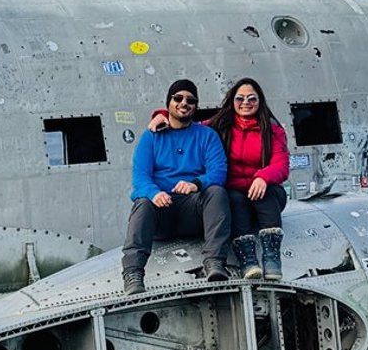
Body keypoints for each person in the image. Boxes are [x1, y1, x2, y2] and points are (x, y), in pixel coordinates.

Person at [122, 78, 230, 291]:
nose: (184, 103)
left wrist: (196, 184)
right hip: (162, 212)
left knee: (217, 192)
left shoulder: (207, 136)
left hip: (193, 210)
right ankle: (133, 273)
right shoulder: (151, 137)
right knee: (142, 203)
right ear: (168, 103)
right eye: (178, 98)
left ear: (196, 106)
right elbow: (140, 178)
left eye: (190, 100)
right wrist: (154, 194)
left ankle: (215, 262)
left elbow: (218, 172)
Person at [211, 76, 290, 279]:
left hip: (265, 193)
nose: (245, 103)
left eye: (252, 98)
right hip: (236, 194)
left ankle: (272, 257)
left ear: (259, 101)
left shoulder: (272, 130)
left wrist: (263, 177)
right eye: (240, 98)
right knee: (234, 199)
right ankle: (248, 260)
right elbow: (189, 129)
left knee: (265, 194)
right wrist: (162, 116)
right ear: (232, 101)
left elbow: (281, 165)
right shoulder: (220, 125)